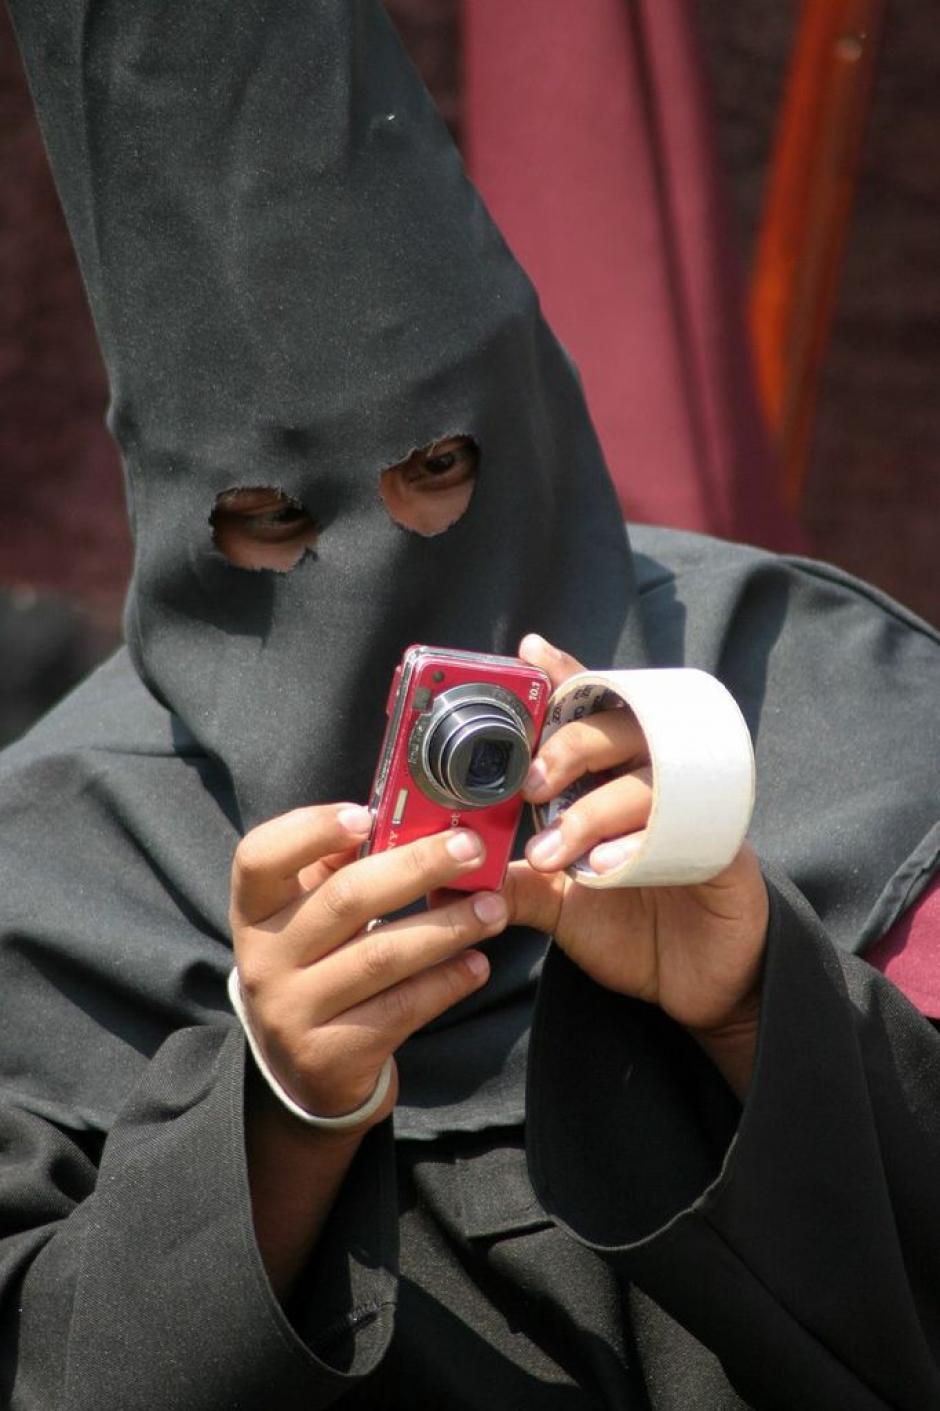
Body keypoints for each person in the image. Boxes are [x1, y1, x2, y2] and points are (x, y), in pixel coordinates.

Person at [1, 2, 938, 1407]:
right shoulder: (58, 873)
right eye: (274, 519)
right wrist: (275, 1122)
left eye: (438, 465)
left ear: (528, 410)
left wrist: (759, 1006)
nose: (385, 559)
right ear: (181, 524)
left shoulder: (813, 695)